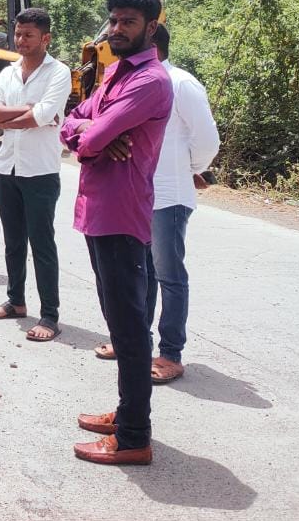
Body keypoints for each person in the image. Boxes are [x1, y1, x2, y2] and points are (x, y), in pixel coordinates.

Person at [61, 0, 174, 466]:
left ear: (151, 28)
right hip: (97, 209)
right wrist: (91, 134)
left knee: (128, 329)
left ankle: (133, 437)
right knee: (118, 319)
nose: (115, 29)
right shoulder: (112, 74)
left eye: (127, 22)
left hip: (122, 214)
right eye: (113, 20)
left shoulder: (150, 81)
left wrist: (93, 136)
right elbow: (72, 123)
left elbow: (89, 137)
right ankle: (127, 412)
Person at [92, 24, 220, 385]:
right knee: (138, 273)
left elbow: (208, 141)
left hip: (168, 195)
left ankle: (170, 353)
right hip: (136, 194)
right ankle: (135, 343)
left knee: (169, 275)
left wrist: (188, 169)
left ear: (152, 44)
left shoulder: (181, 83)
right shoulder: (132, 82)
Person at [0, 8, 72, 342]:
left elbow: (44, 115)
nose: (21, 40)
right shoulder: (8, 72)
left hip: (40, 171)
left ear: (45, 38)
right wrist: (28, 113)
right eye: (18, 34)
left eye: (28, 35)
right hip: (7, 167)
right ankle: (15, 301)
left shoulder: (59, 73)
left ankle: (50, 315)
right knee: (13, 240)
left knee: (42, 243)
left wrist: (20, 117)